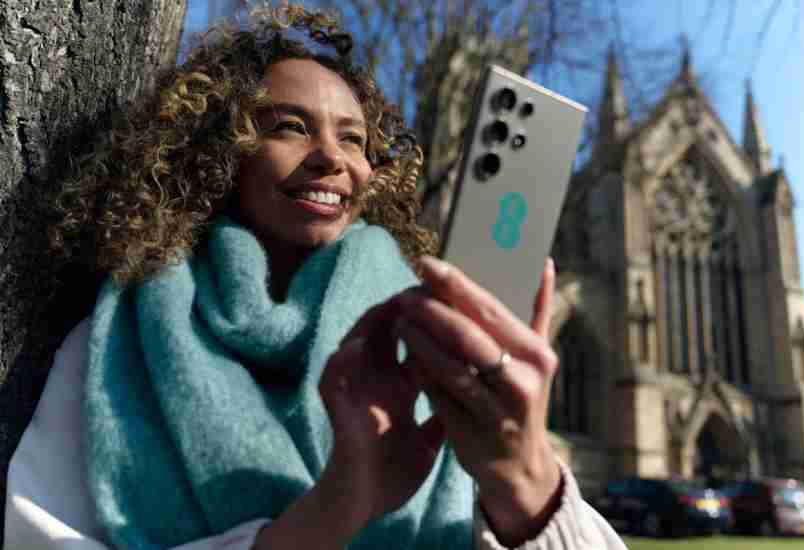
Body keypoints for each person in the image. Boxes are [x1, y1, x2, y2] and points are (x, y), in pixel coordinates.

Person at [3, 4, 627, 550]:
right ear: (217, 153)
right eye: (290, 127)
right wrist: (338, 507)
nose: (332, 157)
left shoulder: (433, 337)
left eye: (354, 140)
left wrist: (525, 479)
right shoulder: (123, 341)